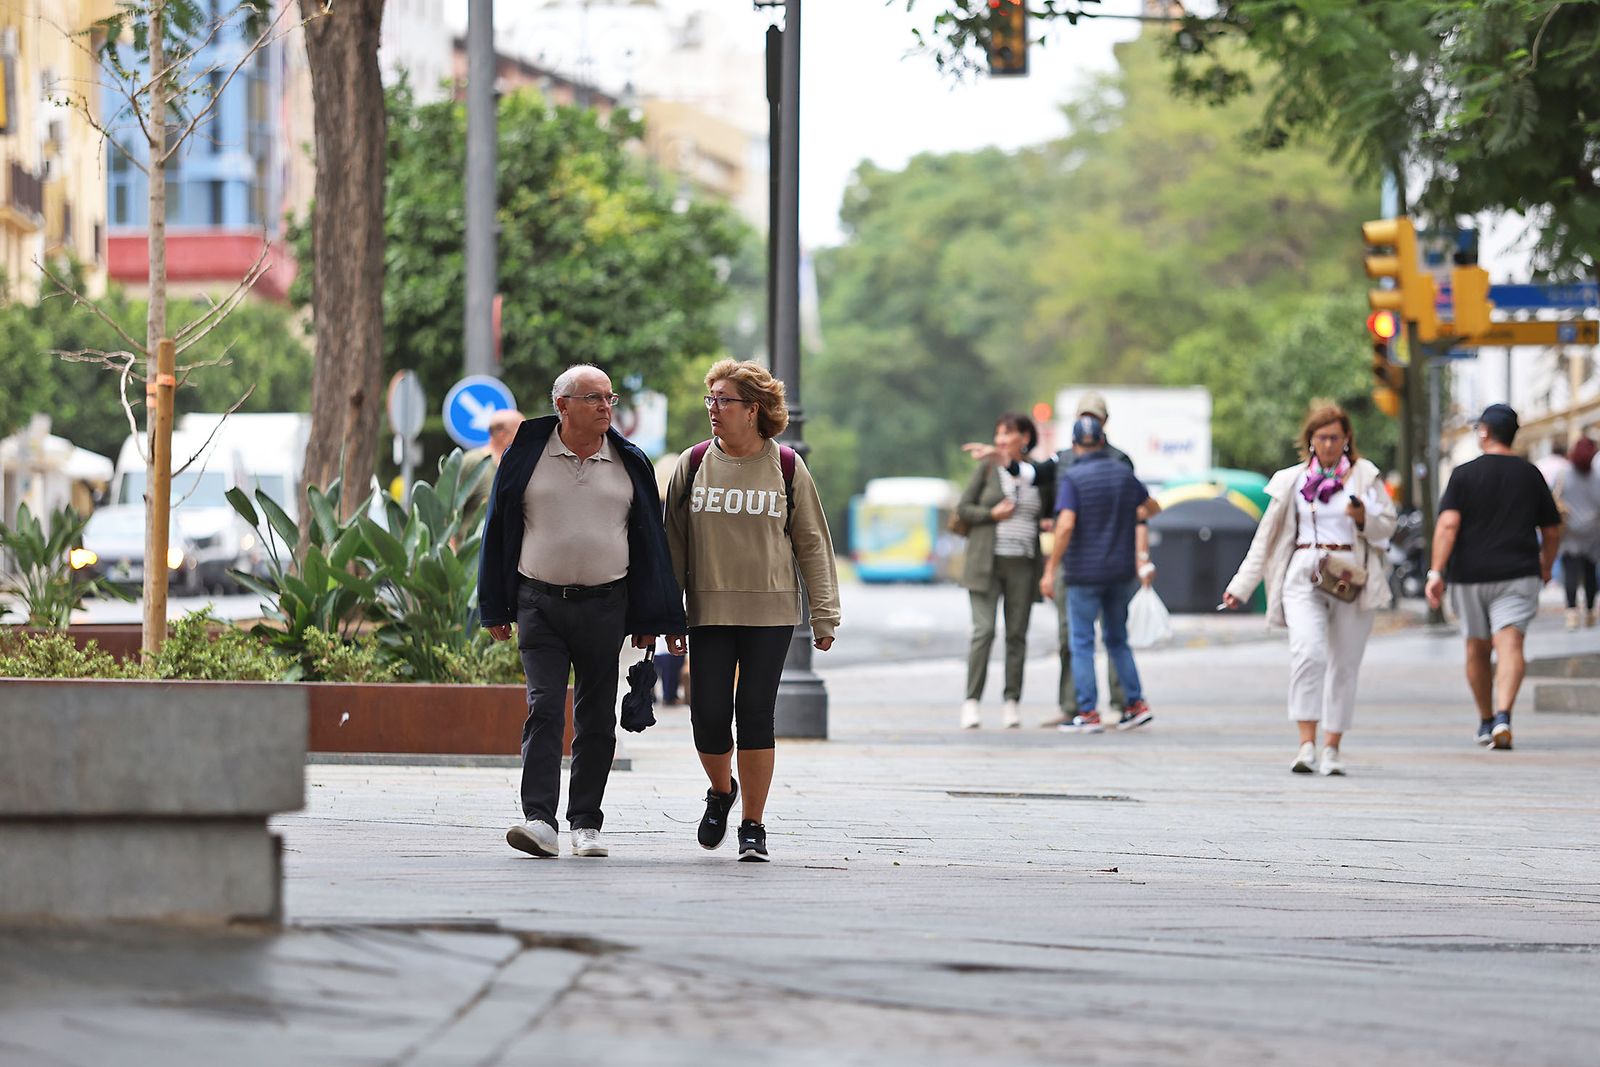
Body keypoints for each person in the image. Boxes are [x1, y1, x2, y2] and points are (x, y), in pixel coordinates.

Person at [478, 366, 685, 859]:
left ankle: (586, 824)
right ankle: (539, 821)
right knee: (544, 706)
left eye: (609, 398)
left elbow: (650, 545)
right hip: (538, 604)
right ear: (563, 405)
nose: (605, 406)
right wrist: (494, 606)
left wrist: (656, 621)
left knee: (596, 718)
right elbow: (498, 530)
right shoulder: (526, 454)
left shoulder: (630, 461)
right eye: (594, 398)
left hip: (606, 606)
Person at [664, 359, 840, 863]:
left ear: (753, 409)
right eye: (711, 399)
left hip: (772, 610)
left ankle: (753, 826)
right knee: (708, 717)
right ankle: (722, 791)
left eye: (725, 400)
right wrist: (666, 615)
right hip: (708, 610)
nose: (714, 409)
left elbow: (812, 542)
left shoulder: (786, 466)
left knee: (756, 714)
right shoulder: (694, 462)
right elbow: (671, 543)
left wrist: (824, 614)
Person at [1222, 402, 1397, 775]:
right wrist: (1241, 585)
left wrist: (1364, 518)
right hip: (1304, 571)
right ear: (1310, 441)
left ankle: (1332, 747)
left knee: (1344, 665)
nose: (1329, 444)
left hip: (1352, 575)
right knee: (1308, 653)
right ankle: (1306, 745)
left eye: (1336, 437)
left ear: (1347, 438)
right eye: (1322, 437)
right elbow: (1265, 539)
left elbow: (1388, 527)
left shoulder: (1365, 476)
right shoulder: (1292, 480)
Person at [1426, 404, 1562, 751]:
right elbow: (1551, 528)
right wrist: (1546, 565)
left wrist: (1436, 572)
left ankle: (1486, 721)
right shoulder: (1531, 474)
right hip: (1518, 572)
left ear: (1485, 432)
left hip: (1469, 575)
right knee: (1511, 644)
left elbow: (1448, 525)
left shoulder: (1463, 474)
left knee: (1476, 647)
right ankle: (1504, 716)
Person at [1040, 414, 1160, 734]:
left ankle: (1088, 713)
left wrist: (1051, 568)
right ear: (1104, 442)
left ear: (1076, 446)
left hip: (1082, 573)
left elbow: (1065, 524)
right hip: (1119, 572)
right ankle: (1135, 704)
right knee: (1117, 640)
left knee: (1082, 641)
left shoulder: (1074, 478)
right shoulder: (1123, 474)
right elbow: (1152, 507)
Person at [954, 413, 1047, 729]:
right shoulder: (988, 468)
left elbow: (1050, 508)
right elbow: (963, 509)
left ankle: (1012, 702)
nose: (1002, 440)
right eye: (998, 434)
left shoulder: (1037, 472)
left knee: (1017, 634)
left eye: (1008, 434)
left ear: (1025, 437)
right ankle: (972, 702)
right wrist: (992, 513)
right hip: (985, 562)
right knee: (984, 631)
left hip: (1023, 562)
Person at [1552, 436, 1600, 630]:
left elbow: (1555, 498)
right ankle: (1589, 611)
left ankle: (1571, 613)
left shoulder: (1564, 474)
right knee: (1590, 572)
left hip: (1570, 530)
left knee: (1571, 572)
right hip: (1593, 531)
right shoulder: (1596, 476)